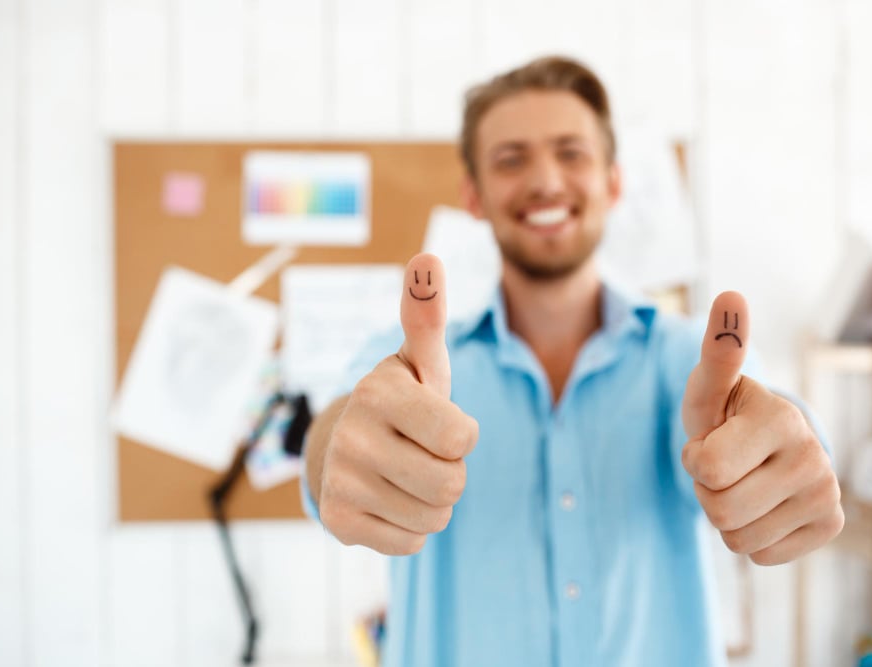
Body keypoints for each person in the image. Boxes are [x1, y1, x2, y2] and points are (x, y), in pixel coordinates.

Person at [302, 56, 844, 666]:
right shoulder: (411, 368)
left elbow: (768, 416)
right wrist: (337, 450)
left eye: (571, 153)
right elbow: (335, 435)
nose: (545, 180)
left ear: (613, 184)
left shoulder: (686, 359)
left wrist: (788, 447)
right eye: (511, 159)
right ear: (474, 196)